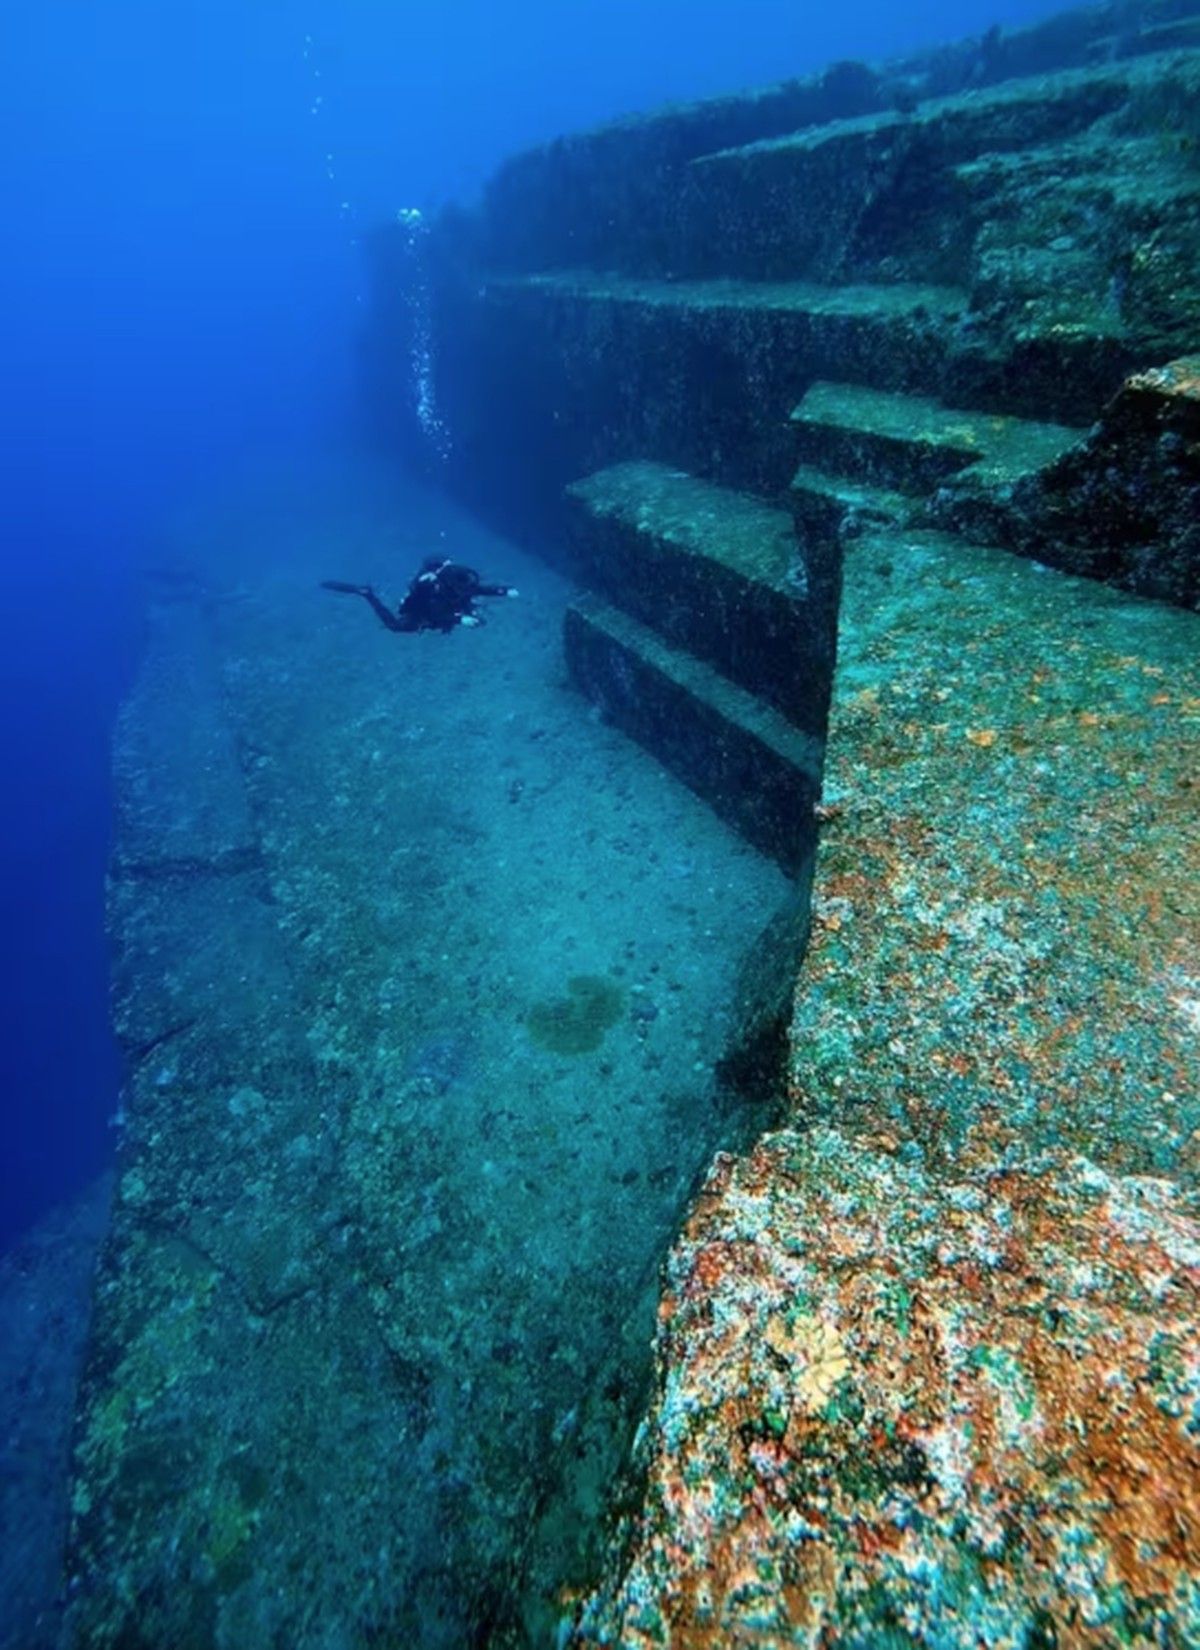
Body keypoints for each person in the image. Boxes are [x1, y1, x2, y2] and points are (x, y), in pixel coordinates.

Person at [322, 558, 519, 633]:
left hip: (447, 610)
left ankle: (366, 593)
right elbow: (437, 615)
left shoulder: (460, 583)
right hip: (424, 612)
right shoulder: (435, 591)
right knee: (397, 627)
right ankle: (367, 594)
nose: (465, 589)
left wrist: (503, 591)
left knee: (471, 605)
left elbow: (479, 589)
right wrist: (461, 619)